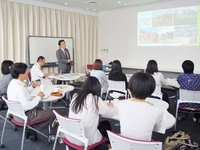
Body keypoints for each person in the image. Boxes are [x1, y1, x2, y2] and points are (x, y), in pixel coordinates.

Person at [7, 62, 54, 140]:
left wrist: (32, 87)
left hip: (16, 114)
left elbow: (24, 94)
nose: (27, 73)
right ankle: (33, 130)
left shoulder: (13, 83)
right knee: (52, 113)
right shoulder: (20, 88)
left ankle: (33, 127)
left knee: (41, 110)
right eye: (26, 71)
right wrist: (38, 97)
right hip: (25, 116)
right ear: (21, 75)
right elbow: (27, 106)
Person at [68, 76, 115, 149]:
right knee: (106, 124)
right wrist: (111, 106)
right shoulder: (95, 99)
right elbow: (111, 113)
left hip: (71, 135)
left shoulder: (75, 96)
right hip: (86, 139)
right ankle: (110, 147)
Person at [118, 72, 163, 141]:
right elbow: (157, 129)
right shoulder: (157, 110)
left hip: (123, 145)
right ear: (151, 89)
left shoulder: (121, 104)